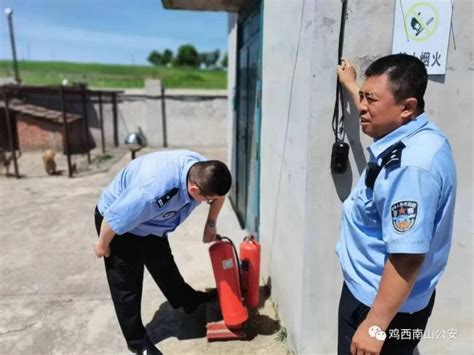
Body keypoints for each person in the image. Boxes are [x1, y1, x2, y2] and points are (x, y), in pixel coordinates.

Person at [335, 54, 456, 355]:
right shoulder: (409, 132)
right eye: (361, 96)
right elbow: (377, 109)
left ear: (407, 107)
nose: (362, 106)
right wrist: (352, 85)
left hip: (379, 307)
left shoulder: (411, 168)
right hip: (374, 294)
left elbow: (407, 257)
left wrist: (375, 326)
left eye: (370, 99)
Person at [93, 149, 232, 354]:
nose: (210, 202)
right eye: (208, 200)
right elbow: (114, 219)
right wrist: (102, 246)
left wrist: (211, 223)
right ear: (194, 189)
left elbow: (219, 195)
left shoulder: (206, 170)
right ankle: (137, 341)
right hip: (120, 226)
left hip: (152, 224)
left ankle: (188, 301)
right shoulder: (151, 192)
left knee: (163, 264)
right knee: (126, 284)